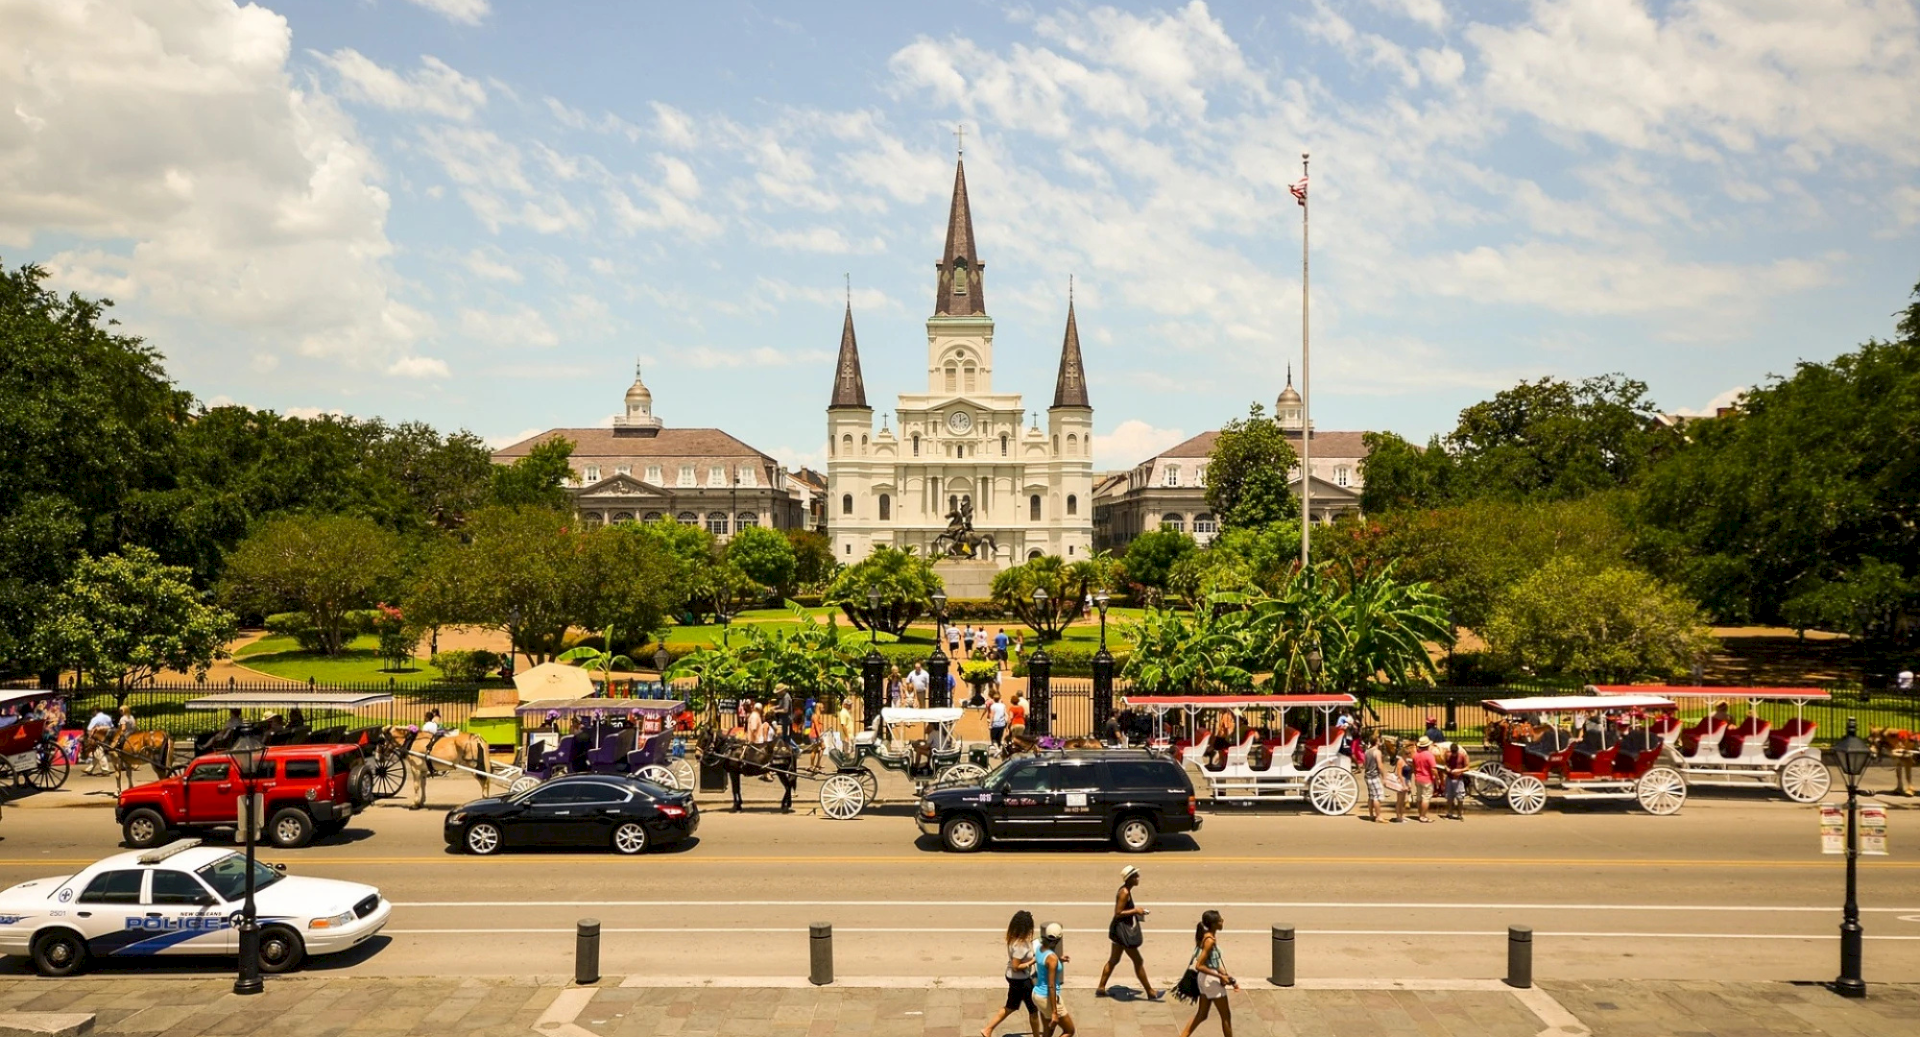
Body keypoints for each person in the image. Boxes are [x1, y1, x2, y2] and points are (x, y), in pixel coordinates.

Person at [1096, 865, 1160, 998]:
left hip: (1118, 932)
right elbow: (1118, 913)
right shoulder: (1124, 893)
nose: (1138, 878)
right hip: (1122, 933)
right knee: (1138, 961)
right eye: (1135, 876)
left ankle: (1101, 988)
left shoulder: (1127, 890)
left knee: (1113, 960)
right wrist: (1136, 910)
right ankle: (1150, 992)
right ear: (1130, 879)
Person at [1176, 910, 1235, 1037]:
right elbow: (1199, 965)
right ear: (1214, 924)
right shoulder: (1210, 941)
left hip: (1204, 980)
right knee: (1226, 1016)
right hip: (1211, 981)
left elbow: (1212, 961)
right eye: (1220, 920)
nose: (1222, 921)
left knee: (1202, 1015)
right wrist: (1220, 976)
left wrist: (1225, 974)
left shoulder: (1207, 936)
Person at [980, 910, 1040, 1037]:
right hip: (1021, 980)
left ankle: (988, 1029)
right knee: (1033, 1011)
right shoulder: (1020, 945)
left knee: (1011, 1007)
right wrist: (1033, 960)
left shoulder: (1013, 938)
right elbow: (1016, 966)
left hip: (1013, 978)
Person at [1034, 922, 1074, 1037]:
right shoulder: (1052, 959)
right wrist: (1054, 1013)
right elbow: (1051, 986)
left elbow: (1043, 962)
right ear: (1058, 940)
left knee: (1048, 1032)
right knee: (1069, 1031)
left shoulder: (1039, 947)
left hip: (1037, 995)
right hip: (1047, 998)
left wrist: (1059, 959)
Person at [1381, 737, 1409, 823]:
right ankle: (1398, 817)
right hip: (1401, 782)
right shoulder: (1400, 761)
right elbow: (1399, 774)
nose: (1409, 754)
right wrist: (1403, 784)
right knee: (1399, 801)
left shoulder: (1406, 761)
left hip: (1405, 782)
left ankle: (1402, 815)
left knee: (1403, 801)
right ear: (1404, 753)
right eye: (1408, 753)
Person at [1361, 730, 1385, 823]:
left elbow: (1364, 764)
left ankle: (1371, 814)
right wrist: (1384, 776)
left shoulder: (1367, 751)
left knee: (1371, 796)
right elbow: (1380, 765)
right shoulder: (1377, 752)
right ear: (1377, 741)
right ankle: (1378, 816)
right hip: (1374, 776)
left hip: (1367, 775)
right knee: (1377, 797)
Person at [1443, 739, 1471, 821]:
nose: (1454, 754)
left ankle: (1460, 814)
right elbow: (1445, 764)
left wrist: (1459, 770)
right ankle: (1449, 813)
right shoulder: (1447, 754)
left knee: (1460, 798)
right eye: (1453, 752)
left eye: (1455, 753)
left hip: (1458, 779)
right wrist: (1447, 768)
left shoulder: (1462, 756)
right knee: (1449, 797)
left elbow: (1467, 767)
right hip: (1449, 778)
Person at [1411, 736, 1437, 823]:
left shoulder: (1416, 755)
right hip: (1427, 779)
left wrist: (1416, 775)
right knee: (1426, 798)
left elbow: (1414, 768)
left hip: (1418, 778)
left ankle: (1420, 814)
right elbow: (1433, 769)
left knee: (1419, 798)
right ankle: (1423, 816)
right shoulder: (1429, 755)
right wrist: (1437, 778)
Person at [84, 708, 114, 776]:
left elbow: (89, 729)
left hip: (98, 737)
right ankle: (89, 769)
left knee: (99, 752)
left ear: (95, 711)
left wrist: (89, 738)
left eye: (92, 712)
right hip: (108, 736)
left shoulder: (95, 719)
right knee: (97, 753)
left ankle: (105, 770)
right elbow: (111, 726)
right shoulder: (108, 717)